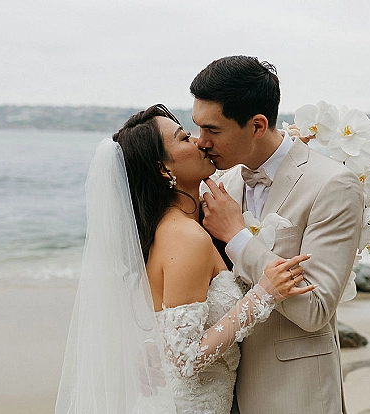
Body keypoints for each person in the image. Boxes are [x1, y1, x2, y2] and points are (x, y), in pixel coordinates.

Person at [55, 104, 315, 414]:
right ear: (164, 170)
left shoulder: (179, 227)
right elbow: (186, 359)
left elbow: (170, 332)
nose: (200, 141)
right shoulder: (184, 236)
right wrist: (263, 295)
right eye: (183, 138)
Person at [192, 56, 364, 413]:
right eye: (197, 127)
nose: (201, 142)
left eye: (213, 130)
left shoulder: (333, 184)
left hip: (294, 393)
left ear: (257, 125)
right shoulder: (225, 184)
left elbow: (315, 309)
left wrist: (237, 237)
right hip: (222, 391)